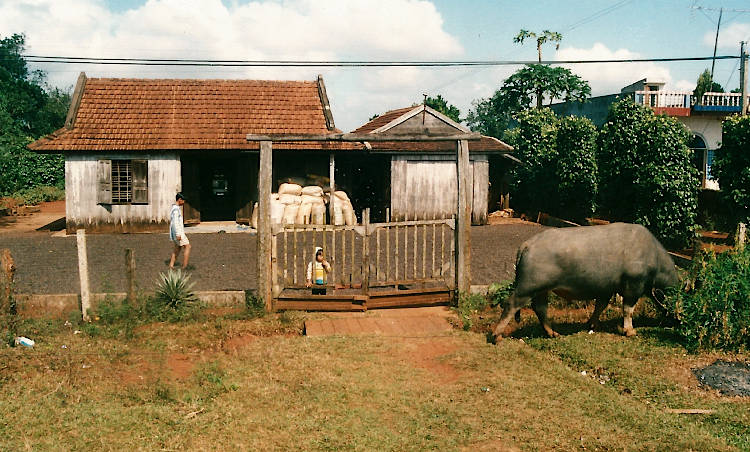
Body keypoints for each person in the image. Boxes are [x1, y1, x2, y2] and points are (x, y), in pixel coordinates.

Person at [168, 192, 191, 269]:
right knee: (188, 246)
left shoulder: (175, 209)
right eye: (183, 200)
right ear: (180, 199)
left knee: (177, 248)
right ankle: (184, 266)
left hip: (177, 232)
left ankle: (171, 264)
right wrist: (178, 234)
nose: (184, 202)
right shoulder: (176, 210)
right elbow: (175, 223)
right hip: (179, 233)